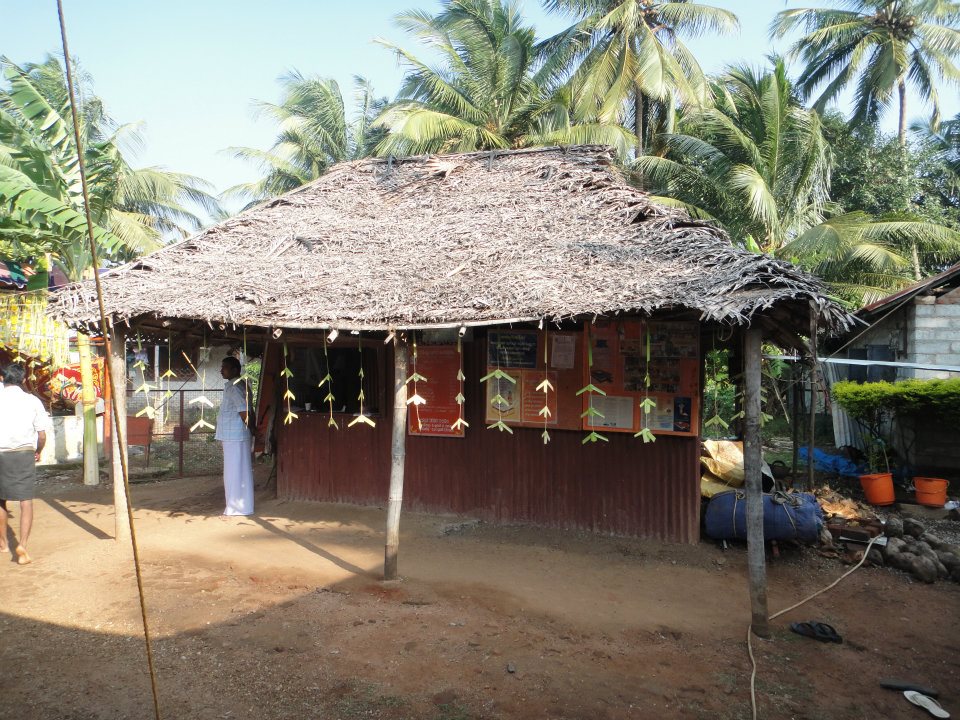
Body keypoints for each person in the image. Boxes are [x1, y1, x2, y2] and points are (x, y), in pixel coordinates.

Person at [0, 363, 51, 564]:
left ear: (3, 379)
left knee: (0, 500)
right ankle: (21, 545)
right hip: (23, 453)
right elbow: (42, 434)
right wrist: (39, 450)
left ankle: (3, 544)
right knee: (26, 501)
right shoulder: (32, 401)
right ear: (23, 380)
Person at [216, 356, 254, 517]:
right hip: (235, 435)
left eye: (224, 367)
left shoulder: (235, 387)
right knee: (239, 470)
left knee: (234, 471)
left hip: (235, 435)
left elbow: (244, 412)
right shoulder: (239, 385)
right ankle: (240, 505)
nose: (221, 370)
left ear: (234, 370)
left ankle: (237, 507)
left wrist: (253, 430)